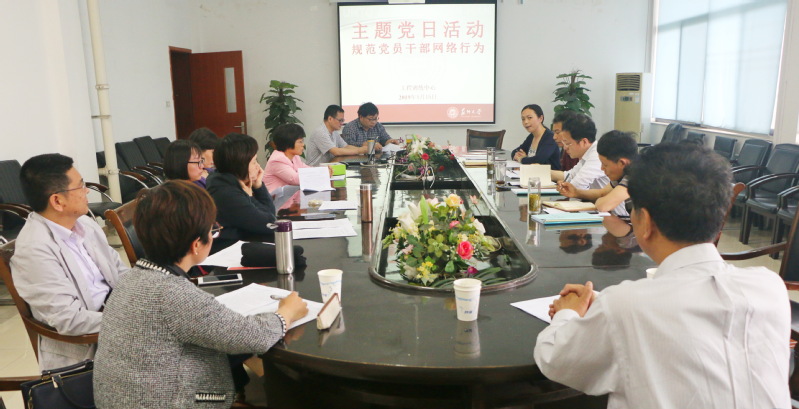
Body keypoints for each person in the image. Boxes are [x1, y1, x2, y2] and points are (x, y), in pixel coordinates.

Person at [534, 144, 790, 408]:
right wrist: (603, 307)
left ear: (644, 221)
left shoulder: (626, 305)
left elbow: (554, 360)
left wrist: (568, 312)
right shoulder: (769, 287)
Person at [94, 180, 308, 408]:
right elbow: (253, 336)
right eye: (212, 230)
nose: (214, 234)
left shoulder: (131, 278)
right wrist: (285, 313)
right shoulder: (173, 294)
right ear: (196, 244)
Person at [11, 154, 127, 370]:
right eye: (81, 186)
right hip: (88, 348)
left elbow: (120, 272)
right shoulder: (34, 250)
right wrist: (132, 320)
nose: (87, 191)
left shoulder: (85, 224)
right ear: (57, 201)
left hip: (114, 318)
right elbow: (70, 319)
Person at [206, 133, 276, 253]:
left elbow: (270, 216)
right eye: (254, 162)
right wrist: (250, 197)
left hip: (240, 248)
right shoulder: (225, 192)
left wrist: (258, 186)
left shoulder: (228, 182)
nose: (258, 167)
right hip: (226, 254)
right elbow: (270, 224)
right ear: (240, 164)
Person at [557, 130, 637, 218]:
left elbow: (603, 206)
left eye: (605, 165)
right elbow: (602, 193)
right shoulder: (623, 173)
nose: (602, 168)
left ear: (622, 163)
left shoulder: (634, 175)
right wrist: (576, 192)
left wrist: (600, 201)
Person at [550, 111, 609, 190]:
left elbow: (577, 186)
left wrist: (565, 185)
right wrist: (540, 171)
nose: (565, 148)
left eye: (567, 143)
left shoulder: (597, 155)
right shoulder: (586, 154)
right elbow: (570, 176)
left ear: (584, 142)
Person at [262, 124, 312, 192]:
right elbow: (295, 179)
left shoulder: (295, 157)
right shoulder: (277, 160)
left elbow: (306, 169)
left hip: (290, 196)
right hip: (277, 198)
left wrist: (322, 171)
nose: (303, 144)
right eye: (300, 142)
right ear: (288, 142)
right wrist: (320, 175)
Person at [511, 104, 560, 169]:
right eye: (523, 119)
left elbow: (539, 160)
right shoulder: (532, 136)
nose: (526, 122)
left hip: (549, 175)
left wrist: (522, 159)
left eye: (529, 118)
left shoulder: (550, 137)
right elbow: (515, 152)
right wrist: (518, 156)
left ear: (540, 118)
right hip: (532, 173)